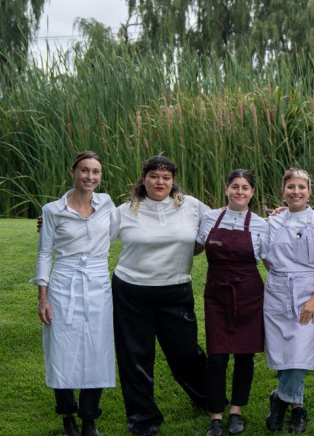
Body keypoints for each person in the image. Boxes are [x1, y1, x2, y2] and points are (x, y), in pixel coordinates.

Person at [111, 155, 210, 435]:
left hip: (175, 289)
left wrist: (274, 217)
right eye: (154, 176)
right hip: (131, 290)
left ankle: (207, 399)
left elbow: (221, 224)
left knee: (186, 352)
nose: (160, 182)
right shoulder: (125, 210)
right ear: (144, 179)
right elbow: (92, 235)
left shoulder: (191, 206)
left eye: (166, 177)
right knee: (135, 356)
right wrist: (55, 225)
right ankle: (143, 418)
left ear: (173, 181)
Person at [33, 151, 115, 436]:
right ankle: (67, 416)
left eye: (95, 172)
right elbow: (45, 253)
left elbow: (125, 226)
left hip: (98, 283)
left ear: (100, 176)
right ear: (73, 172)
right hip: (64, 282)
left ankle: (89, 418)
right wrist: (42, 297)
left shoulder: (107, 204)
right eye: (84, 170)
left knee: (97, 348)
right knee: (62, 349)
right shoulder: (53, 210)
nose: (90, 177)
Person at [262, 168, 314, 434]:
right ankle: (297, 408)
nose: (296, 192)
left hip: (310, 293)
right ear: (282, 191)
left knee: (301, 351)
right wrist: (284, 281)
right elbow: (266, 258)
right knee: (285, 353)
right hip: (278, 292)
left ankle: (280, 399)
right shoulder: (270, 223)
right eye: (290, 187)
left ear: (309, 191)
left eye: (301, 187)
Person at [196, 169, 267, 436]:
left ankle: (236, 411)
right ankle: (216, 415)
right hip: (217, 293)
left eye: (245, 187)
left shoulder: (261, 224)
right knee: (216, 357)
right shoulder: (210, 218)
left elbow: (270, 259)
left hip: (249, 293)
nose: (240, 192)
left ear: (252, 192)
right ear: (226, 189)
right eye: (235, 187)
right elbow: (195, 245)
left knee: (245, 357)